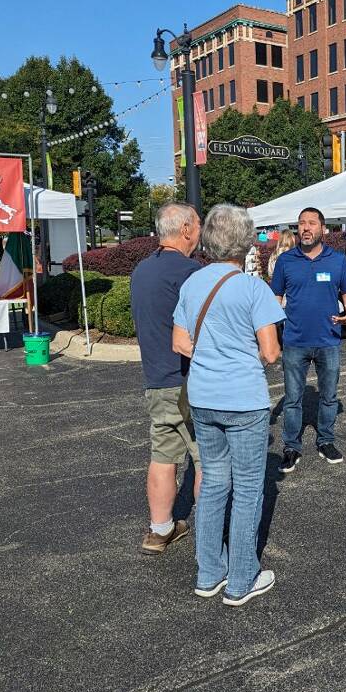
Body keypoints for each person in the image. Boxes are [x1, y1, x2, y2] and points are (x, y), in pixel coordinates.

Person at [173, 204, 286, 606]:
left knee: (215, 483)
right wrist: (240, 359)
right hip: (243, 398)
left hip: (203, 395)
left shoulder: (191, 284)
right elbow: (270, 352)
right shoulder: (254, 288)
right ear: (244, 242)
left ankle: (209, 572)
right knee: (249, 488)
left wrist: (213, 357)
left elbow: (180, 342)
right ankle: (242, 578)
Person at [130, 202, 203, 556]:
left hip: (155, 377)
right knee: (207, 458)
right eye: (199, 226)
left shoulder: (142, 270)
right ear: (186, 229)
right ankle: (209, 529)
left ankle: (160, 530)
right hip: (188, 380)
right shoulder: (191, 271)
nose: (200, 233)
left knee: (163, 455)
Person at [270, 207, 346, 473]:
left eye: (311, 223)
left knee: (329, 397)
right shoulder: (286, 261)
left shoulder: (338, 261)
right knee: (293, 398)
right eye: (301, 223)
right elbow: (275, 297)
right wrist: (273, 329)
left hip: (328, 340)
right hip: (294, 341)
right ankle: (291, 447)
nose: (305, 228)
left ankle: (326, 441)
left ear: (323, 228)